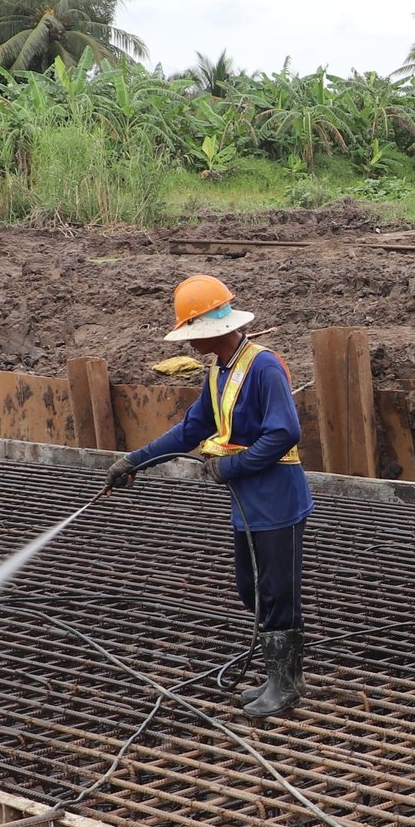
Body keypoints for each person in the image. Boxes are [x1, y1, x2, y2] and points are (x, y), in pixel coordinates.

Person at [106, 275, 315, 718]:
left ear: (215, 329)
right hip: (246, 504)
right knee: (251, 589)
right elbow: (193, 429)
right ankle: (284, 676)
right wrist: (136, 461)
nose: (190, 343)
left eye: (193, 332)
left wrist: (231, 466)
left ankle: (285, 686)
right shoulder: (220, 370)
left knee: (278, 592)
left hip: (276, 500)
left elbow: (285, 432)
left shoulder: (264, 367)